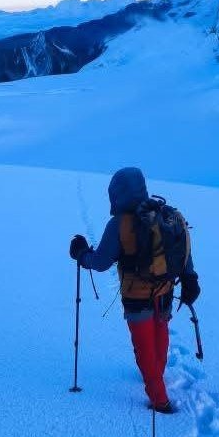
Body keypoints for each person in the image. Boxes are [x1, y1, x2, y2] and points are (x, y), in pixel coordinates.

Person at [69, 167, 200, 413]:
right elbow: (183, 250)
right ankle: (157, 375)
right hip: (165, 291)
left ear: (116, 194)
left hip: (137, 298)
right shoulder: (166, 215)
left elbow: (100, 263)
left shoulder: (119, 224)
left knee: (144, 348)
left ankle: (160, 402)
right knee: (160, 335)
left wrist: (81, 254)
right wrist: (190, 278)